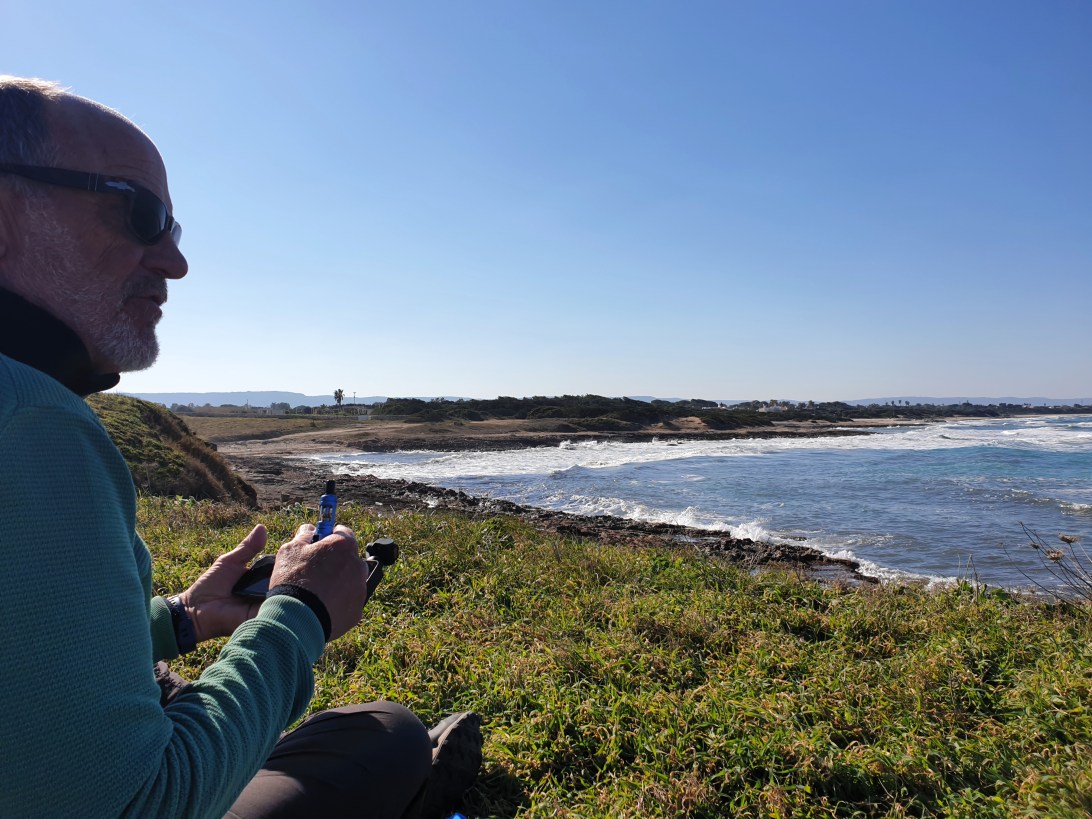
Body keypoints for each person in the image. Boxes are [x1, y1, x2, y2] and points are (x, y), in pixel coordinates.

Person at [0, 76, 481, 819]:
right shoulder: (32, 423)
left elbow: (31, 657)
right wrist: (301, 612)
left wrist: (184, 617)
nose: (175, 262)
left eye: (173, 228)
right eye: (139, 213)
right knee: (385, 733)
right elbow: (141, 804)